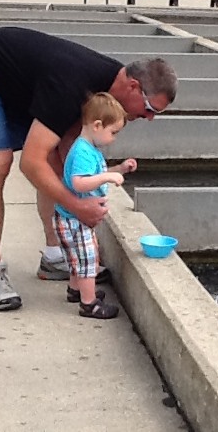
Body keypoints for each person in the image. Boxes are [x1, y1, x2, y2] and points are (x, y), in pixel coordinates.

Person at [0, 26, 177, 311]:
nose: (149, 118)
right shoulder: (72, 84)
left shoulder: (103, 91)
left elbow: (66, 156)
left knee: (60, 161)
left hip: (20, 82)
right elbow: (31, 163)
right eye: (149, 109)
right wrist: (77, 206)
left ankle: (55, 255)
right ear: (133, 86)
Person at [56, 93, 135, 319]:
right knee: (89, 259)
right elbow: (79, 183)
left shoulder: (89, 149)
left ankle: (75, 290)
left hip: (71, 217)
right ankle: (89, 304)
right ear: (97, 125)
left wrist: (119, 169)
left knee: (76, 258)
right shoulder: (82, 151)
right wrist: (107, 179)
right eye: (113, 132)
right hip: (75, 219)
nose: (114, 138)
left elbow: (96, 174)